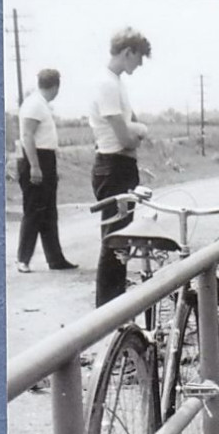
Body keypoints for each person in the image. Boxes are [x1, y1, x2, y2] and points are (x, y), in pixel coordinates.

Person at [88, 28, 151, 306]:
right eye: (138, 59)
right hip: (113, 167)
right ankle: (106, 312)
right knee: (114, 241)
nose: (138, 67)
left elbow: (129, 127)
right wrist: (139, 130)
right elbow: (125, 138)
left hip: (120, 166)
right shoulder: (107, 84)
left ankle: (114, 308)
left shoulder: (115, 82)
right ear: (128, 52)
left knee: (121, 241)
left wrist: (134, 129)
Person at [16, 69, 77, 273]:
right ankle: (22, 259)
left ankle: (55, 259)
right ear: (56, 86)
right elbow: (27, 135)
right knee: (34, 211)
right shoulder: (34, 104)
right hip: (36, 159)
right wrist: (34, 166)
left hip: (46, 160)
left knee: (49, 212)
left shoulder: (41, 104)